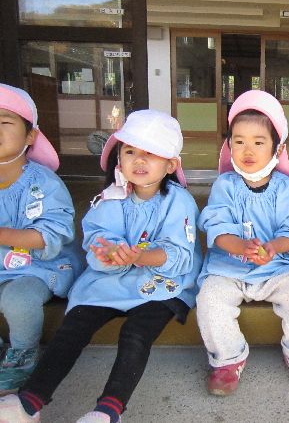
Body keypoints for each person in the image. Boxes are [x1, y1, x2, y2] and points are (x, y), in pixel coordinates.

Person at [0, 110, 202, 423]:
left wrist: (139, 257)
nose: (138, 160)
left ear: (170, 165)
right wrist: (107, 254)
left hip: (160, 284)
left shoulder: (179, 201)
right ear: (118, 158)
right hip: (109, 281)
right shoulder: (109, 198)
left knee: (135, 333)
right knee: (74, 325)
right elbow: (97, 240)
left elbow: (179, 254)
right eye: (130, 151)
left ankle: (108, 410)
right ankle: (29, 401)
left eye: (150, 153)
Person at [196, 90, 289, 396]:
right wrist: (241, 247)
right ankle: (228, 359)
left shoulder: (285, 188)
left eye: (258, 142)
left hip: (277, 267)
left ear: (278, 148)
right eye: (239, 141)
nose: (248, 150)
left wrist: (274, 247)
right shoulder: (225, 185)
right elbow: (216, 226)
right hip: (230, 268)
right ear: (229, 145)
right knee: (210, 296)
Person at [0, 84, 82, 392]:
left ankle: (23, 352)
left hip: (36, 268)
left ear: (30, 136)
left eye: (5, 122)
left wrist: (3, 234)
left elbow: (55, 233)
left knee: (18, 299)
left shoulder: (43, 183)